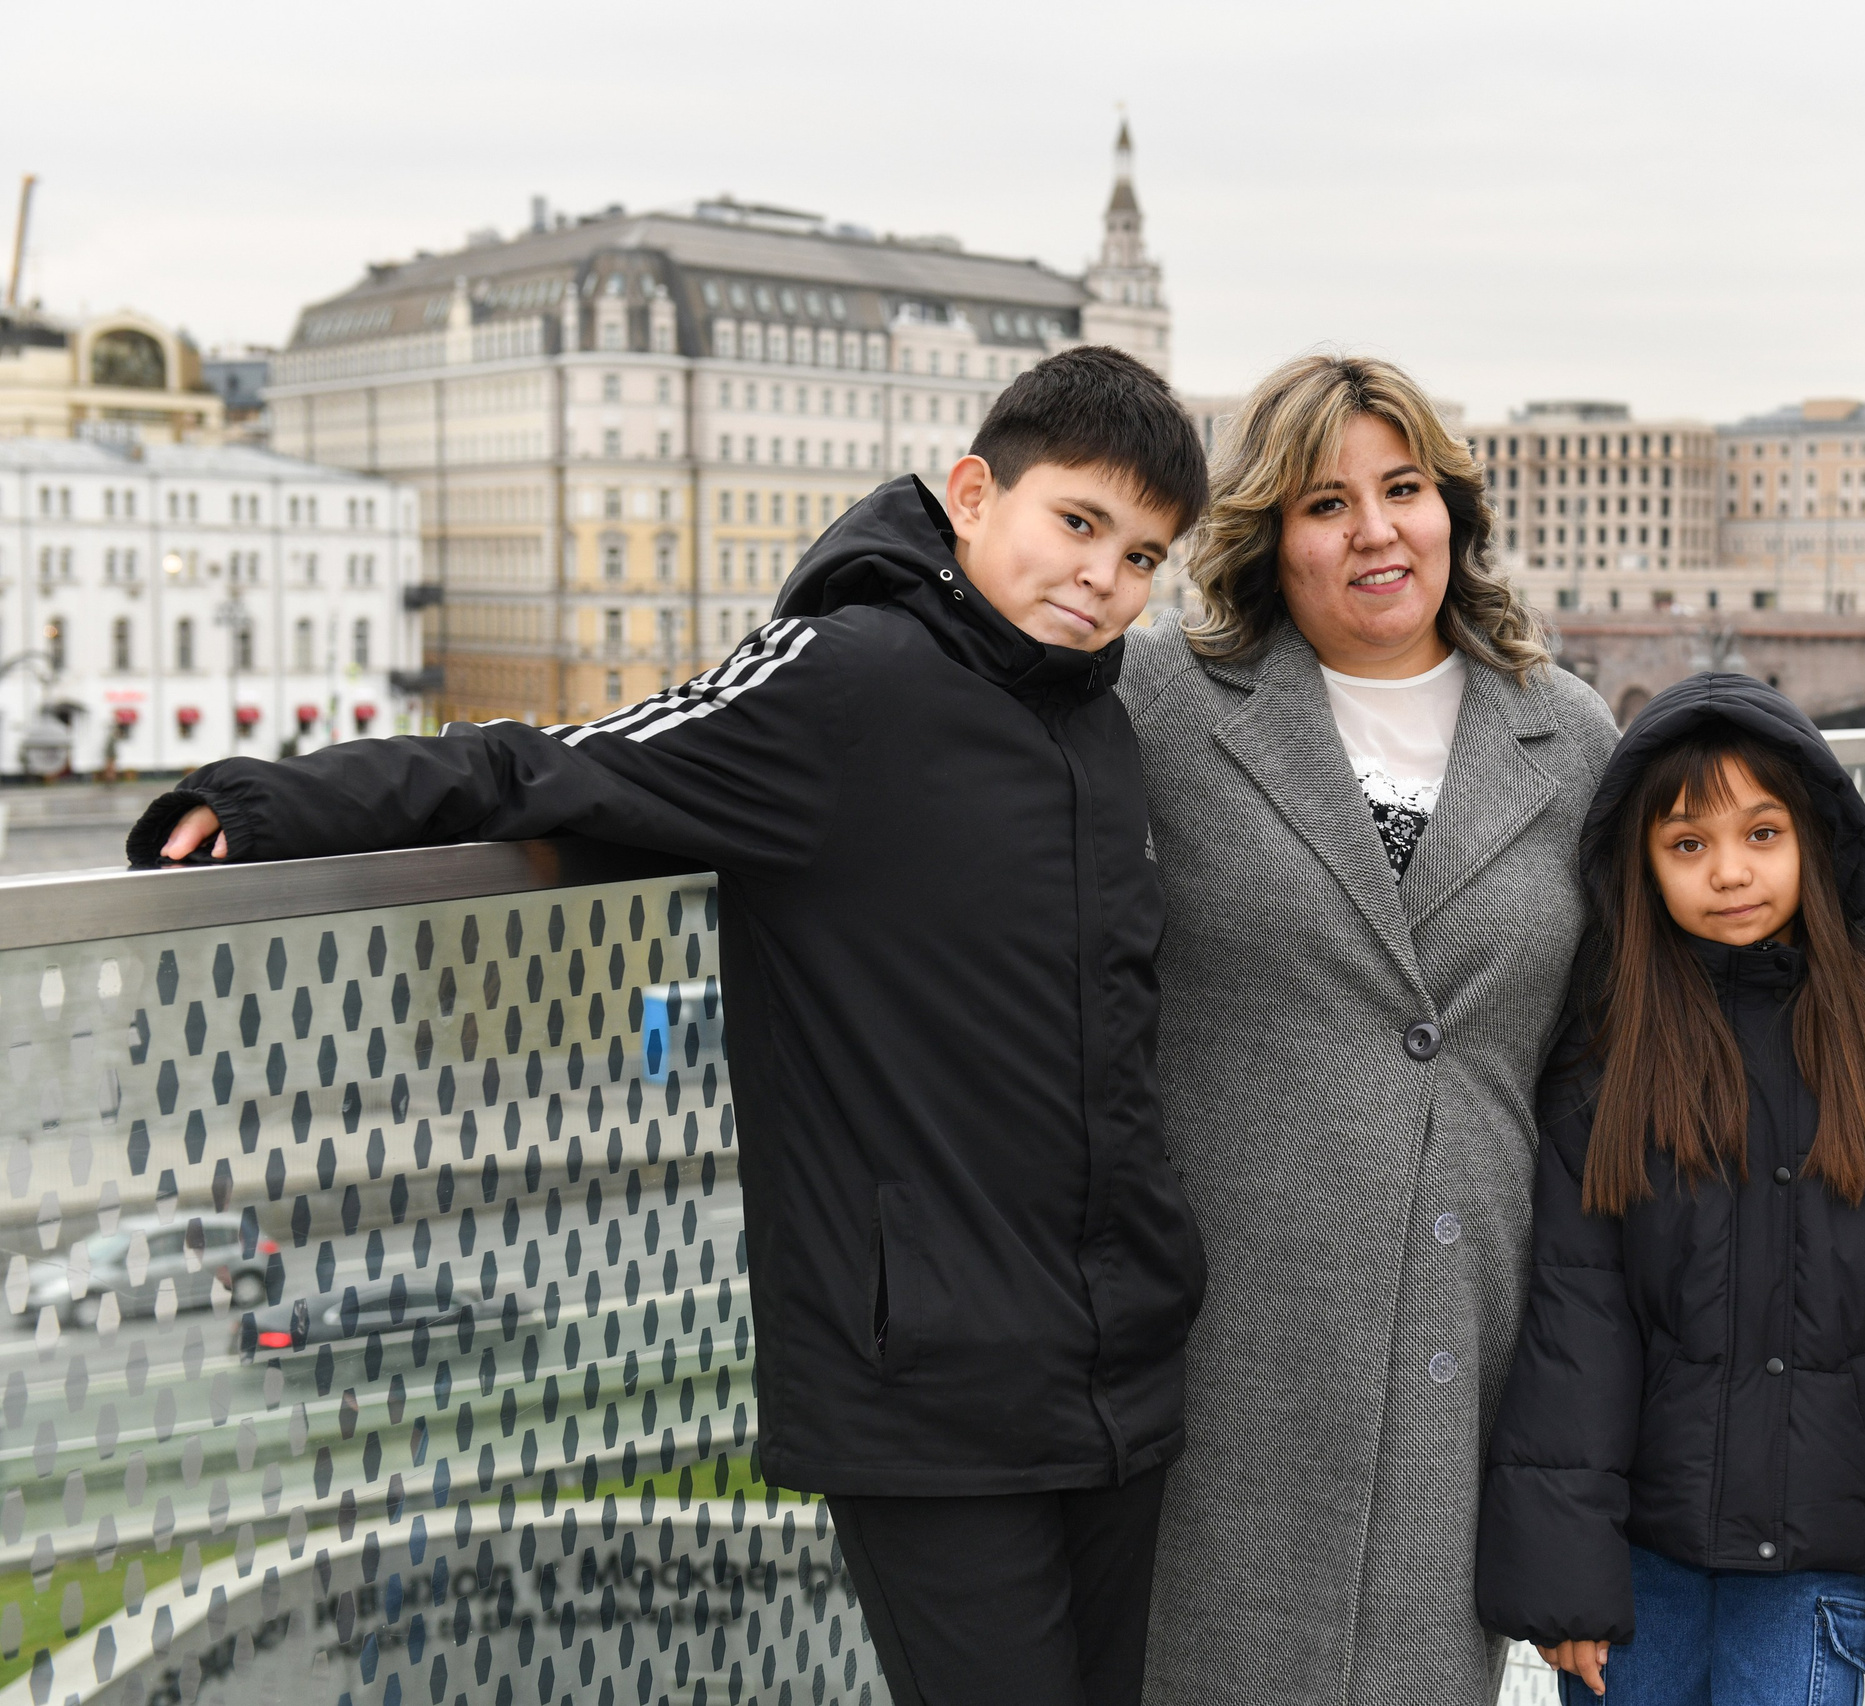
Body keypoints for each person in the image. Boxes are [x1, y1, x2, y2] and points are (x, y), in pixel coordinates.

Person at [128, 346, 1213, 1706]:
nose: (1104, 578)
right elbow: (556, 761)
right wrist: (275, 806)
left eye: (1142, 556)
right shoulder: (850, 681)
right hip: (929, 1380)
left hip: (1116, 1364)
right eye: (1078, 523)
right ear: (975, 491)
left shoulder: (1096, 727)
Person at [1115, 354, 1618, 1705]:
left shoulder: (1568, 742)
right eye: (1327, 503)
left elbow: (1617, 1042)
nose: (1378, 530)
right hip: (1229, 1319)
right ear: (1271, 537)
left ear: (1453, 508)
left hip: (1465, 1309)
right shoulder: (1161, 709)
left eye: (1405, 489)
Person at [1474, 673, 1865, 1704]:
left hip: (1806, 1569)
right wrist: (1566, 1570)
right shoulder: (1604, 1069)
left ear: (1816, 843)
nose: (1730, 871)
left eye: (1761, 833)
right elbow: (1578, 1325)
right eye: (1687, 844)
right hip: (1637, 1571)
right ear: (1641, 868)